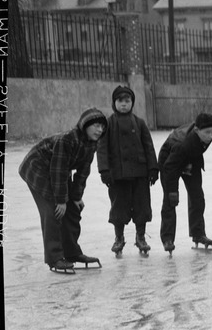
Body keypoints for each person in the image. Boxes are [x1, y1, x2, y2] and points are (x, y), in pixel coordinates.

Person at [19, 108, 109, 274]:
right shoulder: (67, 140)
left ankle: (72, 253)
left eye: (102, 127)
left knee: (73, 209)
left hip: (58, 171)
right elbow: (58, 170)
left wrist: (75, 197)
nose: (100, 130)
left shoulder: (91, 144)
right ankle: (55, 257)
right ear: (85, 125)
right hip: (37, 168)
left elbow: (83, 172)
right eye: (96, 125)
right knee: (54, 211)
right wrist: (60, 200)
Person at [96, 85, 158, 256]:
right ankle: (119, 237)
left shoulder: (139, 123)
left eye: (127, 101)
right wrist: (104, 170)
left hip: (140, 173)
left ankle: (140, 237)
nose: (124, 104)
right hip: (118, 175)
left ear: (132, 103)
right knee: (119, 208)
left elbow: (149, 147)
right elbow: (102, 148)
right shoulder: (108, 123)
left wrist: (153, 168)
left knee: (142, 206)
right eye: (120, 101)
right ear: (114, 103)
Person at [158, 112, 212, 253]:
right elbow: (170, 168)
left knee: (197, 197)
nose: (211, 136)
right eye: (207, 133)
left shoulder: (205, 131)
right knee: (170, 200)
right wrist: (173, 190)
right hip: (169, 161)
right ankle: (167, 238)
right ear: (197, 130)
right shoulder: (183, 144)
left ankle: (198, 234)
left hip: (191, 160)